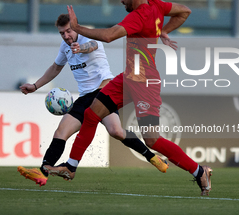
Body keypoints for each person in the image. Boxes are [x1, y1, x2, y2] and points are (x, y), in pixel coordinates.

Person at [44, 0, 213, 196]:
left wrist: (77, 27)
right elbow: (185, 11)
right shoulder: (156, 5)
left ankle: (199, 170)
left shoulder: (139, 15)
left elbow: (108, 35)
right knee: (92, 113)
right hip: (128, 77)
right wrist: (163, 30)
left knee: (152, 139)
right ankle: (71, 166)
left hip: (145, 82)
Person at [17, 13, 169, 187]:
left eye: (68, 31)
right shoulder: (64, 47)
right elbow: (55, 67)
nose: (66, 36)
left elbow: (93, 45)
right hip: (85, 97)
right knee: (61, 132)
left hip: (104, 92)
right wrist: (35, 86)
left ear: (75, 27)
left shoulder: (86, 37)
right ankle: (43, 172)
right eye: (62, 33)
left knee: (116, 132)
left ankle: (152, 157)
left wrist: (80, 49)